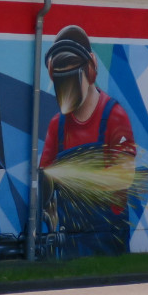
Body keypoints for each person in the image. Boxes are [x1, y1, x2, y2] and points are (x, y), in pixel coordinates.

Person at [39, 25, 136, 257]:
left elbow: (125, 175)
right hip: (70, 237)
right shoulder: (57, 125)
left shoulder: (114, 115)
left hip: (109, 235)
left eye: (72, 76)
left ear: (91, 70)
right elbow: (44, 175)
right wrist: (47, 210)